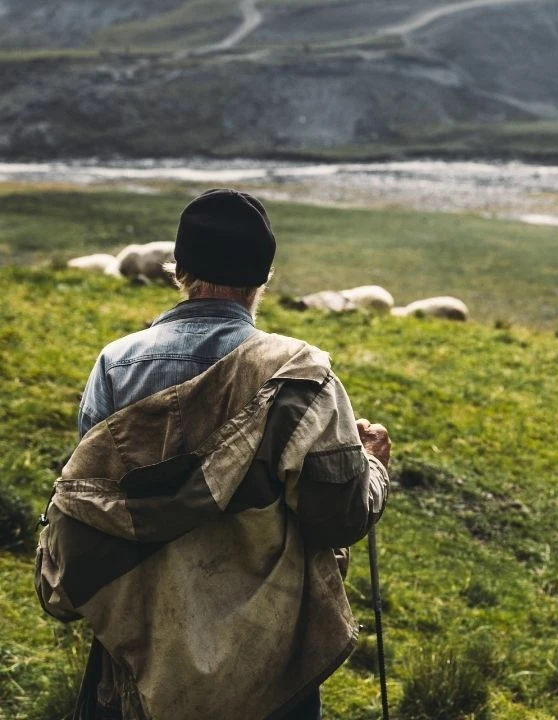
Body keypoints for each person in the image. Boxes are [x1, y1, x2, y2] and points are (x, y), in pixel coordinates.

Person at [35, 188, 391, 720]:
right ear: (262, 279)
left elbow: (92, 497)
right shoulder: (301, 377)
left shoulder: (114, 366)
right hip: (269, 669)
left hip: (141, 660)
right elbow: (338, 518)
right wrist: (373, 465)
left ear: (178, 270)